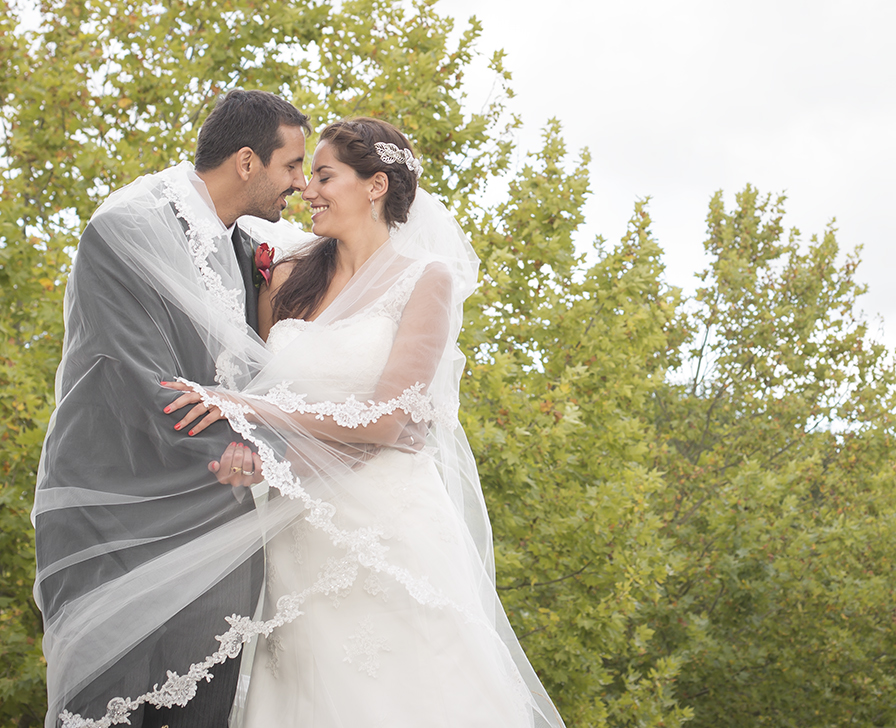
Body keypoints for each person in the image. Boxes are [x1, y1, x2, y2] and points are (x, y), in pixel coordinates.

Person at [153, 118, 563, 727]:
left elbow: (388, 419)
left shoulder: (426, 278)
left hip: (387, 524)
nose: (306, 191)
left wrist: (247, 409)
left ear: (375, 186)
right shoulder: (287, 278)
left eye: (323, 176)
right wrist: (245, 443)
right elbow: (251, 387)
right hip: (295, 525)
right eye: (305, 176)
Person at [33, 89, 311, 728]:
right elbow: (134, 374)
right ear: (247, 162)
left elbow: (261, 375)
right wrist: (244, 452)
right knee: (112, 704)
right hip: (120, 512)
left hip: (219, 521)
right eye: (291, 166)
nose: (298, 183)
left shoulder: (253, 250)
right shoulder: (127, 226)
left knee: (205, 704)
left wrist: (264, 448)